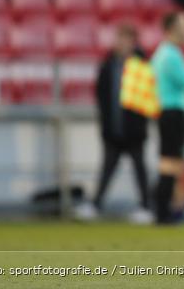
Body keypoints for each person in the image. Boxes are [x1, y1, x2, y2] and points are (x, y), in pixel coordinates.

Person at [76, 25, 152, 223]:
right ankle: (96, 205)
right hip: (112, 128)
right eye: (119, 39)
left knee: (140, 169)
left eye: (125, 39)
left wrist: (142, 123)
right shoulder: (108, 66)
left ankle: (146, 206)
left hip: (135, 130)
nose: (121, 44)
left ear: (133, 43)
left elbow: (147, 98)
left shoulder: (141, 66)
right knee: (107, 169)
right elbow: (101, 96)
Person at [151, 11, 184, 224]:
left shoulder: (163, 53)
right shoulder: (170, 55)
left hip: (167, 111)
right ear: (173, 28)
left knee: (171, 160)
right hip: (173, 111)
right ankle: (162, 210)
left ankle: (164, 209)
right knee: (171, 161)